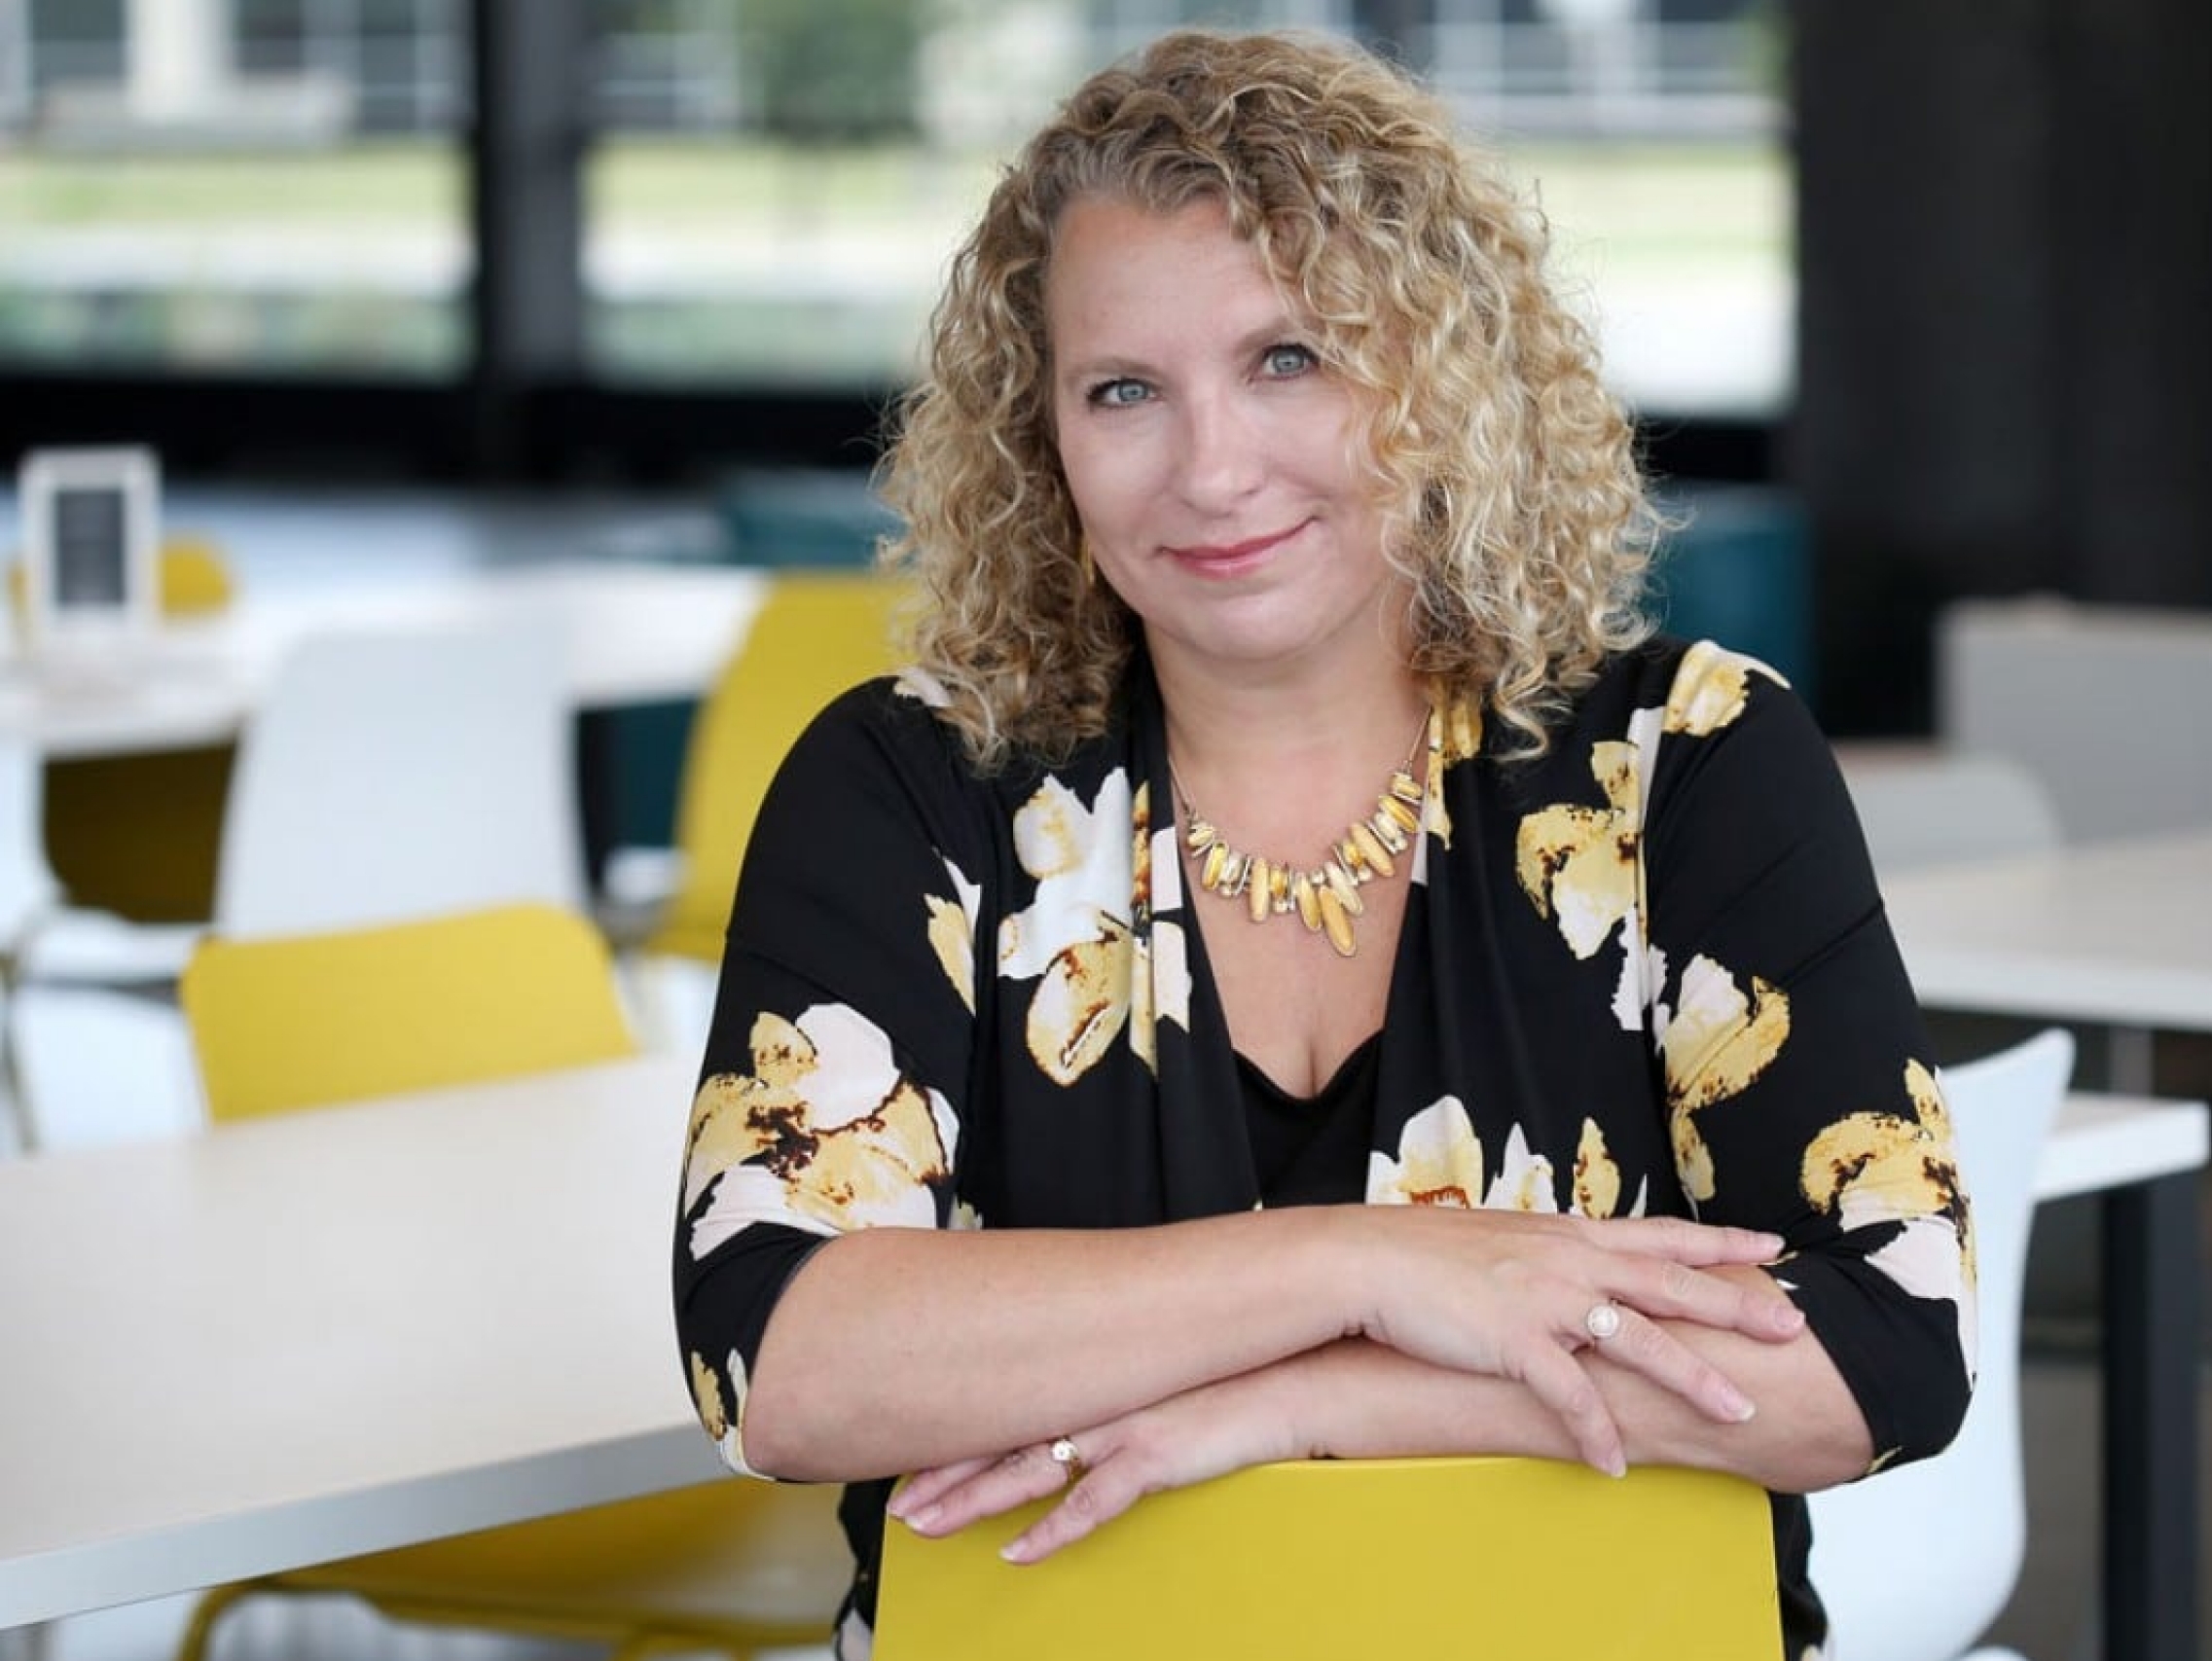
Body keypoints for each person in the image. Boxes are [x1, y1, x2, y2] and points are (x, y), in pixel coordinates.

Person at [673, 27, 1972, 1658]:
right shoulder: (915, 785)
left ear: (1438, 381)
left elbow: (1877, 1352)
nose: (1214, 471)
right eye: (1124, 391)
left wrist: (1306, 1403)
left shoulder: (1686, 763)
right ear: (1040, 440)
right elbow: (778, 1358)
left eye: (1290, 359)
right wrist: (1368, 1270)